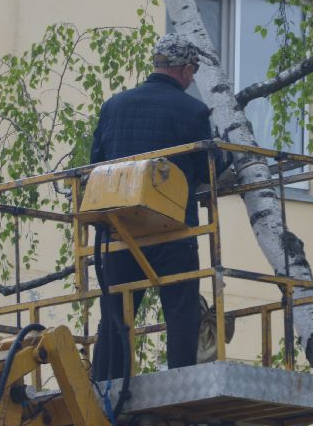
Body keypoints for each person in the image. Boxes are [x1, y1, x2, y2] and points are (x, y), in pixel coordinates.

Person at [88, 32, 226, 382]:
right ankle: (181, 381)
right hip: (172, 228)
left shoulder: (114, 106)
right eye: (193, 70)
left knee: (116, 310)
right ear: (184, 69)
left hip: (121, 227)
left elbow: (96, 164)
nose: (193, 77)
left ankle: (106, 384)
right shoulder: (192, 110)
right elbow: (204, 170)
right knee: (180, 309)